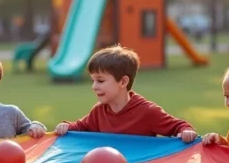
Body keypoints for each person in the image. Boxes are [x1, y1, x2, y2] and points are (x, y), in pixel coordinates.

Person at [53, 45, 197, 142]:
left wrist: (186, 131)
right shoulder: (98, 111)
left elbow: (178, 126)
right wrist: (66, 126)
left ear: (123, 82)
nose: (94, 87)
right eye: (93, 80)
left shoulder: (147, 112)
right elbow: (79, 127)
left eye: (100, 81)